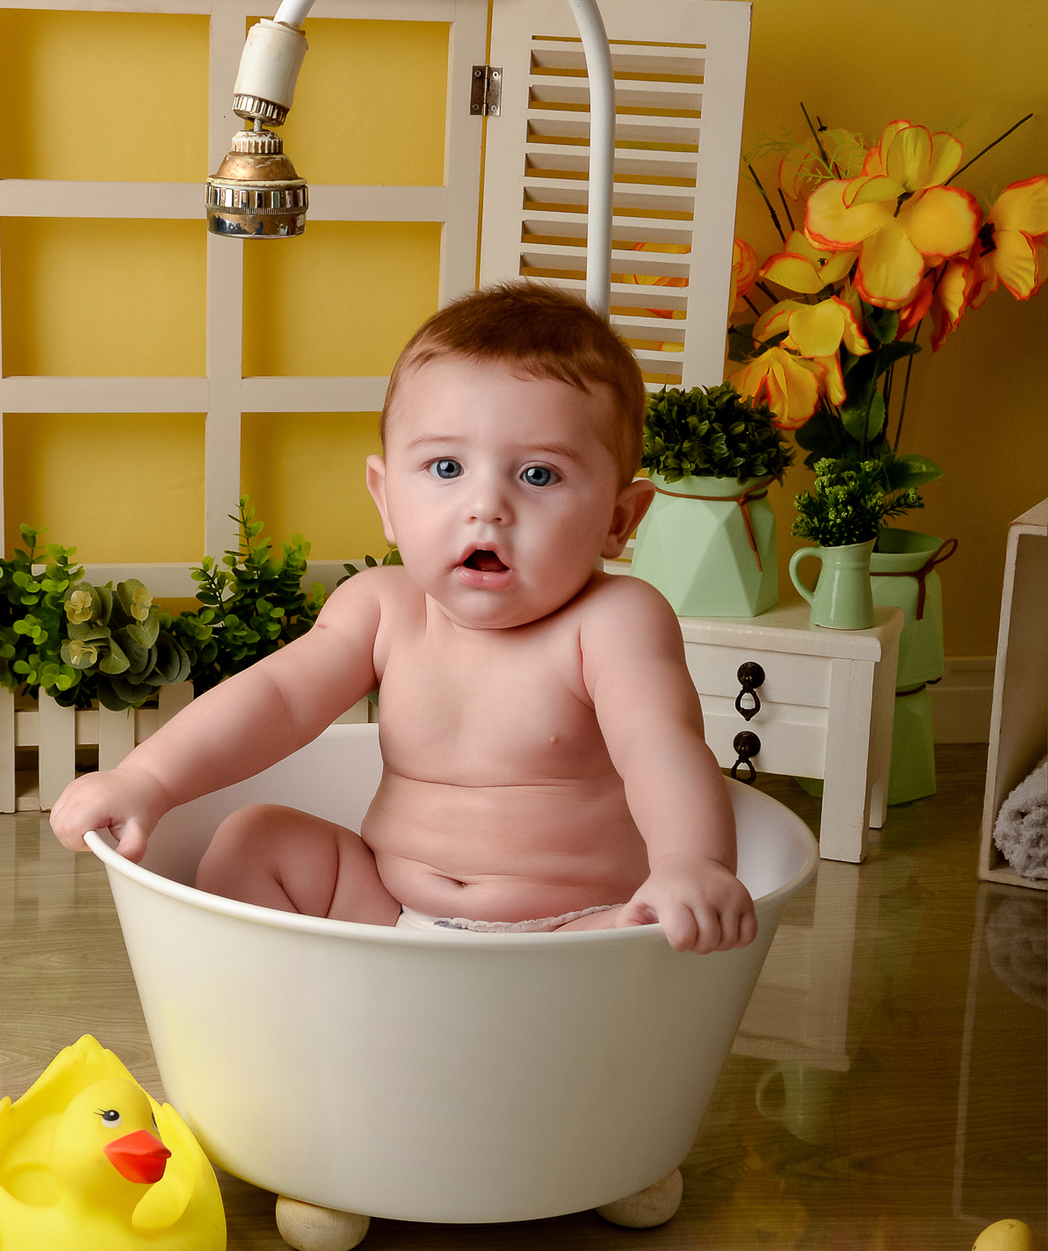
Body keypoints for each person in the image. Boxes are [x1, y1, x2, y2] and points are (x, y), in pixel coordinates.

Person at [50, 283, 757, 952]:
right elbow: (278, 697)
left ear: (618, 519)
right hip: (385, 912)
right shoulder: (383, 608)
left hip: (571, 934)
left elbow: (660, 744)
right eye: (446, 468)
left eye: (538, 474)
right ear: (386, 499)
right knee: (253, 837)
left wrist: (691, 862)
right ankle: (295, 1019)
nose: (487, 506)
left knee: (661, 932)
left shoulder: (615, 621)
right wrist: (148, 779)